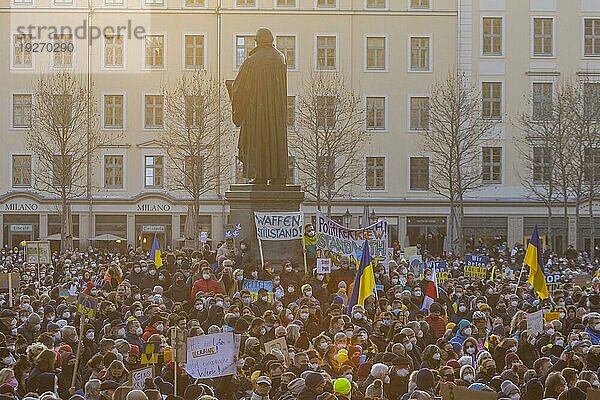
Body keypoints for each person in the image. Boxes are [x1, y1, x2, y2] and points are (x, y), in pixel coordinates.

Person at [230, 27, 288, 184]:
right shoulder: (281, 59)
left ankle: (260, 176)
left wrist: (234, 97)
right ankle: (279, 176)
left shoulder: (251, 62)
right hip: (277, 113)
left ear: (257, 42)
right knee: (276, 139)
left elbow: (240, 88)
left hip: (257, 112)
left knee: (258, 139)